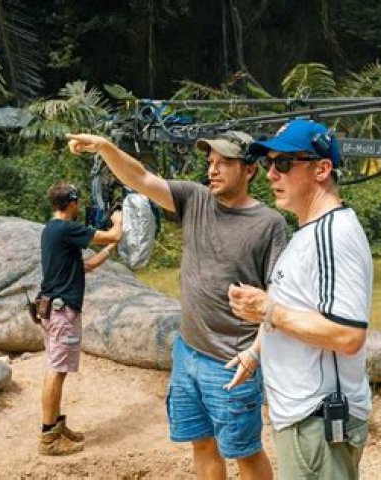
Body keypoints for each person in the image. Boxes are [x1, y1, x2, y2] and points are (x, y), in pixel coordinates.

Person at [67, 131, 287, 479]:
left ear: (249, 170)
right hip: (188, 352)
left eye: (224, 163)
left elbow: (278, 297)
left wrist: (255, 353)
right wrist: (106, 148)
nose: (213, 170)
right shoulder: (194, 198)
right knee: (201, 443)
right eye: (210, 162)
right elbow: (140, 178)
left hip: (233, 360)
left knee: (245, 452)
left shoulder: (269, 224)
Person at [227, 119, 373, 479]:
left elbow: (347, 335)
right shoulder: (309, 233)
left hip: (317, 422)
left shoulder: (332, 236)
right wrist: (256, 351)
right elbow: (298, 307)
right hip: (303, 420)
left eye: (284, 163)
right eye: (269, 163)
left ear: (322, 169)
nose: (271, 174)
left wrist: (267, 309)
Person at [37, 181, 123, 456]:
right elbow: (112, 233)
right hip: (62, 312)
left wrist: (110, 248)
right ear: (72, 203)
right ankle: (48, 437)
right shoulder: (66, 228)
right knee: (56, 370)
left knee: (58, 369)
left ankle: (56, 427)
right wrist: (119, 220)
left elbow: (85, 266)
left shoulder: (52, 230)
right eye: (78, 202)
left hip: (52, 309)